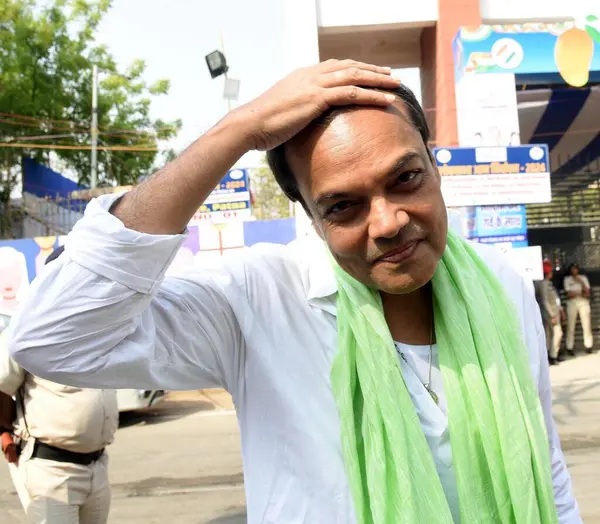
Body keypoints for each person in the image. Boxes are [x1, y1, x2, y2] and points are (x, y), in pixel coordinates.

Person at [7, 60, 580, 523]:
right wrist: (239, 129)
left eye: (405, 179)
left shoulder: (500, 284)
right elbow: (52, 339)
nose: (387, 222)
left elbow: (545, 466)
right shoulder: (256, 302)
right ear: (308, 214)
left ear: (435, 164)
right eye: (343, 206)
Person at [0, 246, 118, 524]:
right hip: (51, 469)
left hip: (97, 466)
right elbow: (1, 385)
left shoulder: (99, 329)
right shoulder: (29, 329)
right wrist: (4, 433)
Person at [535, 259, 565, 365]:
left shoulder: (547, 283)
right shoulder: (543, 284)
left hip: (553, 312)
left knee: (551, 335)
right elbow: (544, 300)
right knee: (555, 333)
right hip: (549, 313)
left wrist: (560, 310)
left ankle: (552, 355)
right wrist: (552, 315)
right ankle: (552, 356)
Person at [563, 263, 593, 354]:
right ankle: (569, 346)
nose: (574, 271)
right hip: (572, 303)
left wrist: (581, 282)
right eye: (572, 269)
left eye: (575, 269)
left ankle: (588, 345)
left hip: (583, 302)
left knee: (586, 324)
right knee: (571, 325)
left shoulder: (583, 278)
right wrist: (581, 293)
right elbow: (569, 294)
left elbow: (587, 292)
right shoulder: (567, 279)